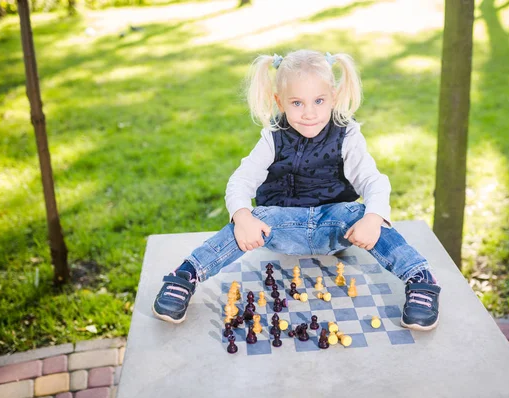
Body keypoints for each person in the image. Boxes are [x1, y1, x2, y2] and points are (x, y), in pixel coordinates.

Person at [152, 49, 441, 331]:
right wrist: (242, 217)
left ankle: (420, 277)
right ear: (280, 102)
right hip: (282, 225)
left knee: (363, 213)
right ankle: (186, 275)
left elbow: (373, 181)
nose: (309, 113)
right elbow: (241, 181)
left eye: (318, 100)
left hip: (335, 225)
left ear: (334, 97)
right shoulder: (272, 137)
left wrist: (373, 219)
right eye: (297, 103)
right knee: (250, 218)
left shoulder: (348, 134)